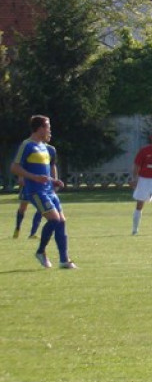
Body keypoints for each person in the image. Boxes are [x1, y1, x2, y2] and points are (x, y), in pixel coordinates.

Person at [10, 115, 76, 269]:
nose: (49, 130)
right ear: (40, 128)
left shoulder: (46, 148)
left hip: (49, 190)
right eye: (48, 127)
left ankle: (64, 260)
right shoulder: (27, 145)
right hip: (35, 191)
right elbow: (14, 167)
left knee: (61, 222)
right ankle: (40, 252)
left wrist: (54, 181)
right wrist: (33, 177)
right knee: (54, 219)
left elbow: (45, 171)